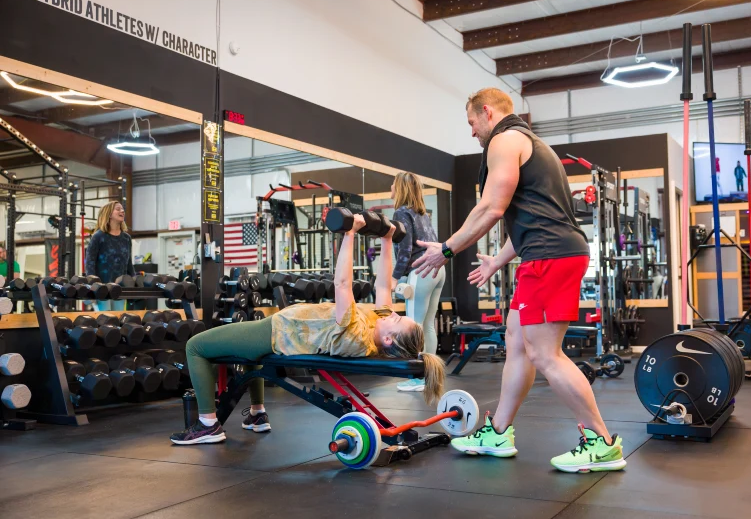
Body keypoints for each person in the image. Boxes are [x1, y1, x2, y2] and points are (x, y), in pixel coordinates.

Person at [412, 88, 625, 473]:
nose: (472, 132)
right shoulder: (529, 143)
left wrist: (446, 248)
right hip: (544, 252)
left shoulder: (505, 140)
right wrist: (498, 259)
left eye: (472, 122)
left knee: (545, 353)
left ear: (487, 113)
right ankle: (497, 431)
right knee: (517, 342)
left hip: (550, 256)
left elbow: (492, 207)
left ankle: (602, 441)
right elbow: (528, 215)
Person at [169, 214, 446, 445]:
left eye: (397, 320)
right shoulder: (377, 325)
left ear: (389, 338)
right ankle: (257, 413)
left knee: (196, 346)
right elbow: (384, 286)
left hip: (275, 333)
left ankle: (208, 424)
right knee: (247, 358)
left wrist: (349, 234)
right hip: (280, 330)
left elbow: (342, 285)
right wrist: (387, 239)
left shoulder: (355, 332)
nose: (393, 314)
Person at [391, 172, 445, 393]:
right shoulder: (421, 213)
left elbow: (405, 252)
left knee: (414, 327)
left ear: (400, 188)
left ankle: (417, 378)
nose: (391, 187)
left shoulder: (401, 213)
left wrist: (394, 278)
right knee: (427, 325)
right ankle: (430, 377)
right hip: (437, 270)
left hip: (421, 271)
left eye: (393, 184)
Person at [85, 201, 134, 311]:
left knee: (119, 319)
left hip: (120, 288)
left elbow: (129, 263)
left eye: (122, 209)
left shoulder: (126, 238)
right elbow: (90, 263)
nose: (122, 211)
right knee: (105, 321)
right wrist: (93, 286)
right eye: (118, 209)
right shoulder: (98, 236)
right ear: (109, 214)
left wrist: (134, 281)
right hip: (102, 288)